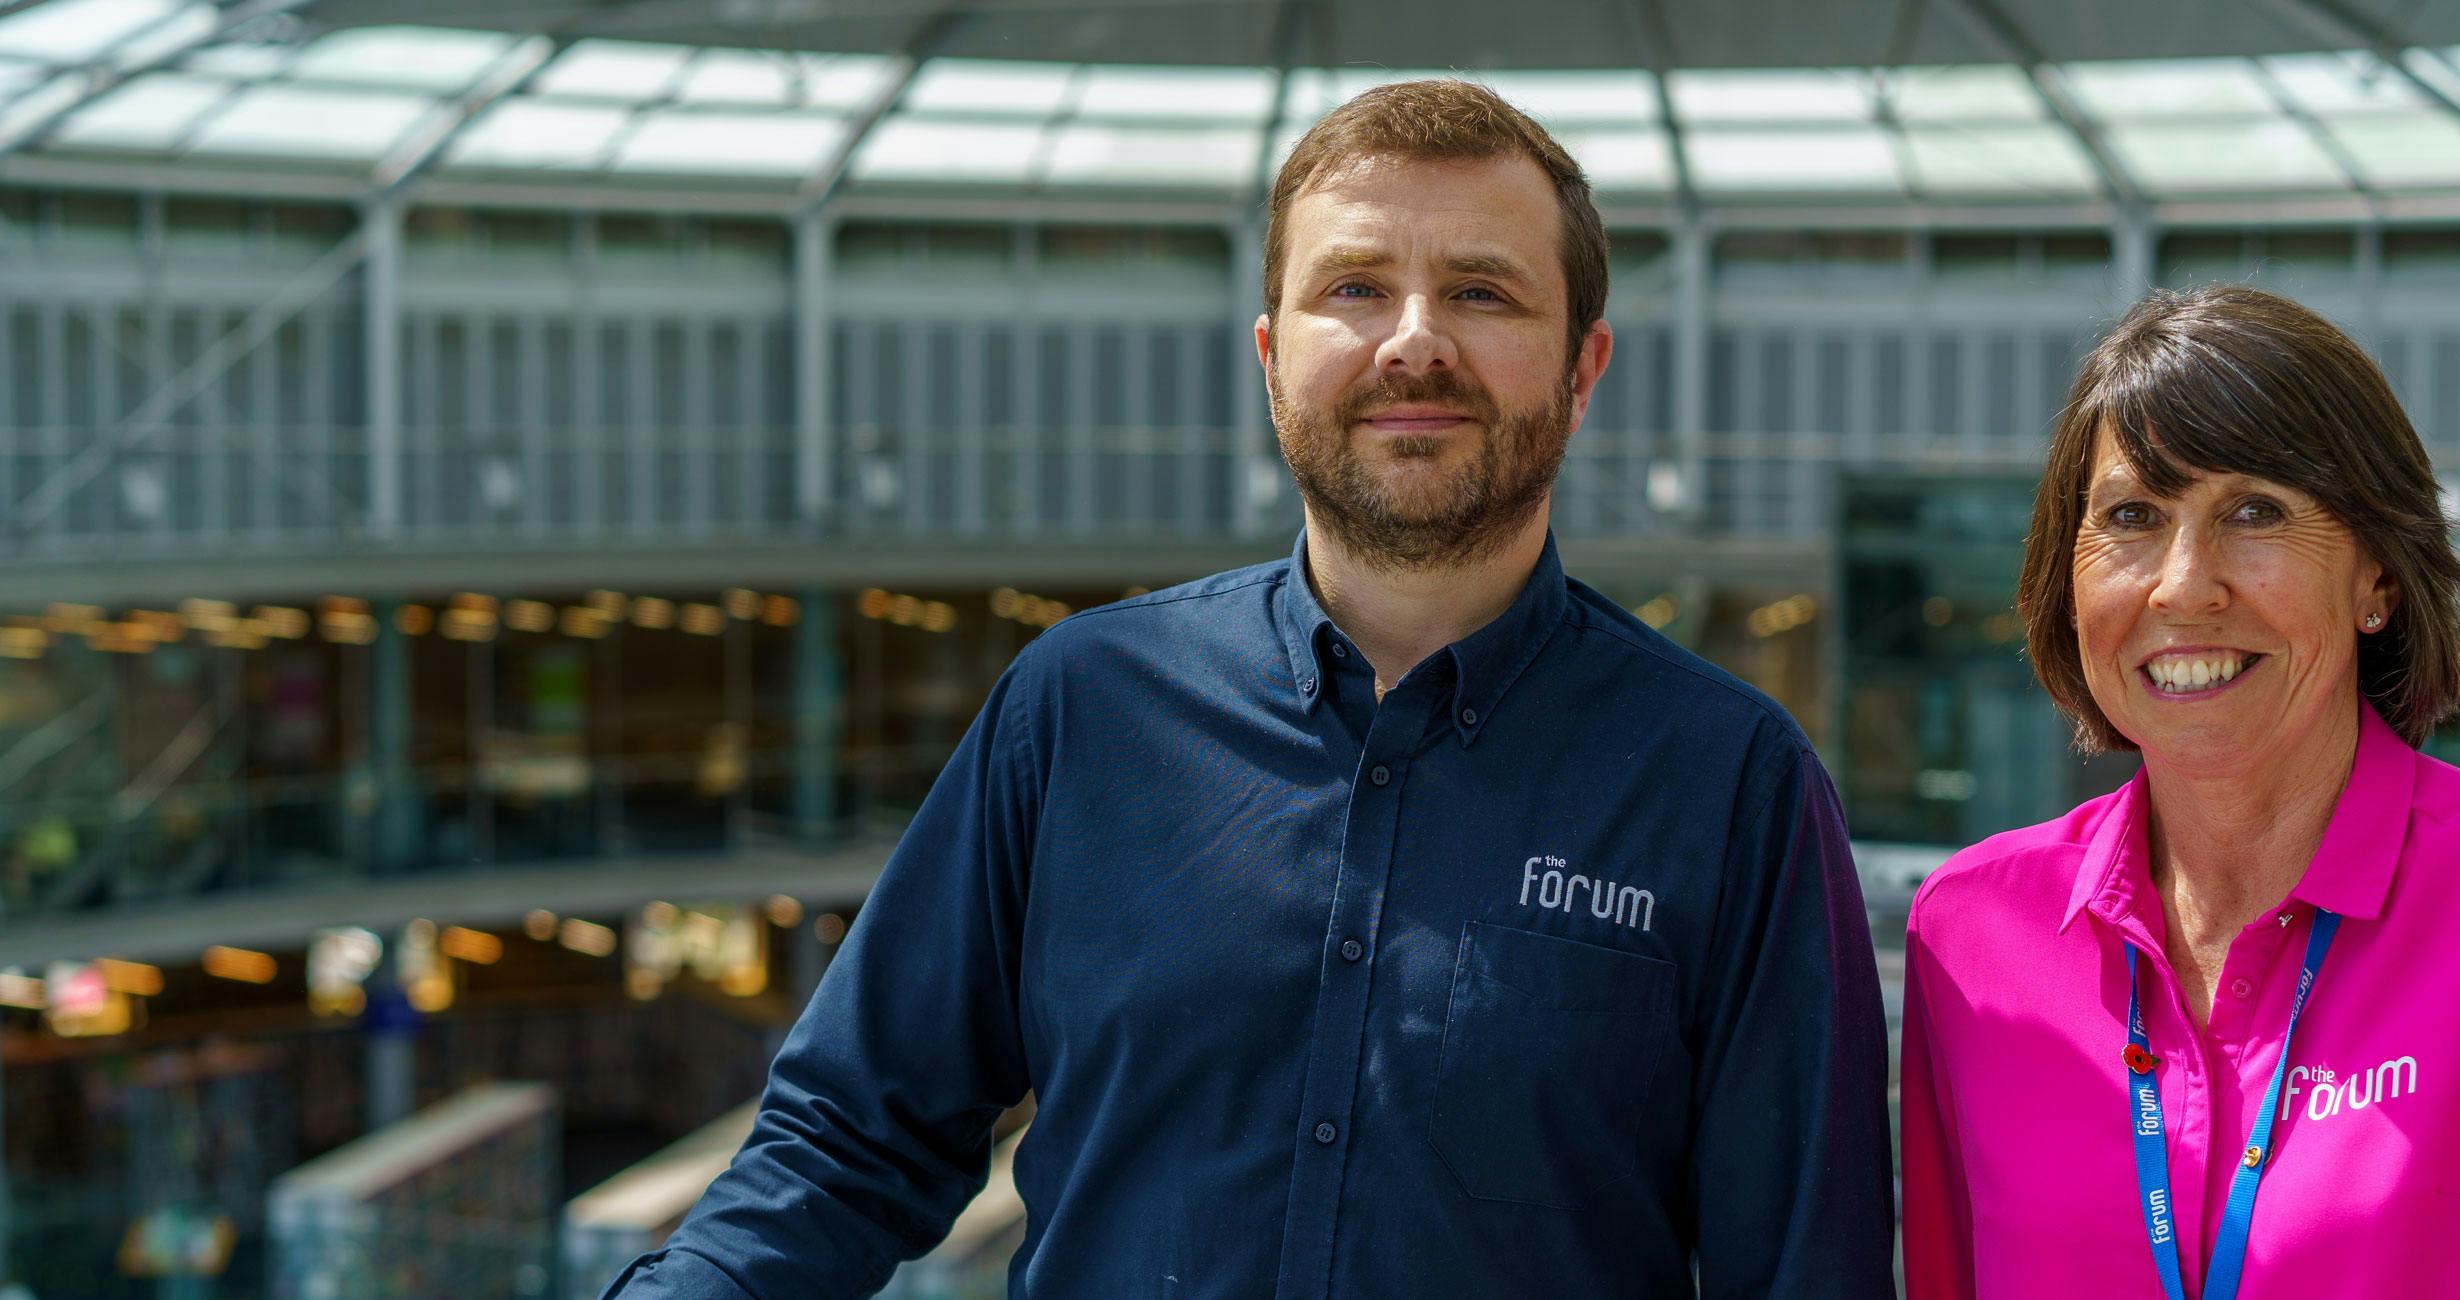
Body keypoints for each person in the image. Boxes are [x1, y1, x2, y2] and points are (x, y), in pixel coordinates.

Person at [607, 79, 1893, 1299]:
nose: (1414, 342)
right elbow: (847, 1139)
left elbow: (1800, 1267)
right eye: (1355, 287)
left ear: (1583, 367)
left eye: (1483, 292)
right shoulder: (1081, 710)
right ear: (1272, 355)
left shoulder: (1730, 782)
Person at [1898, 285, 2460, 1297]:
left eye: (2253, 510)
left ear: (2376, 578)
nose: (2182, 584)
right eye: (2132, 516)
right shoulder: (1968, 937)